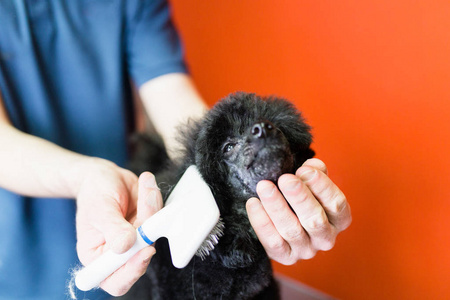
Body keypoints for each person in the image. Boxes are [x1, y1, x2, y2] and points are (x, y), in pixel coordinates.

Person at [0, 0, 351, 299]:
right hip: (19, 259)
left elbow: (176, 109)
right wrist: (87, 176)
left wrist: (222, 165)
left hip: (131, 217)